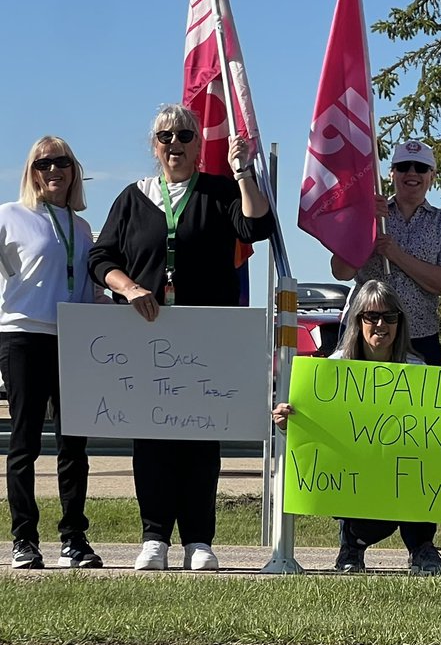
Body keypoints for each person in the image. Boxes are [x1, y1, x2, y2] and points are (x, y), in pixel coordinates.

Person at [88, 105, 275, 571]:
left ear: (198, 146)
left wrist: (243, 170)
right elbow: (100, 256)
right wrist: (129, 287)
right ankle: (154, 537)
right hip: (146, 334)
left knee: (200, 437)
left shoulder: (218, 191)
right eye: (165, 136)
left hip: (204, 338)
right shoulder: (133, 198)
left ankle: (198, 539)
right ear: (154, 146)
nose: (175, 143)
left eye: (185, 136)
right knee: (150, 438)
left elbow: (257, 227)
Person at [273, 279, 441, 575]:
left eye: (389, 317)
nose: (381, 324)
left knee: (418, 470)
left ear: (399, 323)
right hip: (353, 479)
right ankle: (352, 544)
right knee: (365, 499)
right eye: (371, 316)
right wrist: (286, 423)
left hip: (402, 475)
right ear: (358, 321)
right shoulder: (333, 369)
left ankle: (422, 547)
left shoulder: (418, 371)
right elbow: (310, 428)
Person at [1, 137, 104, 569]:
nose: (53, 170)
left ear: (73, 171)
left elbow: (91, 287)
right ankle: (24, 538)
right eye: (43, 163)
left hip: (73, 338)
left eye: (62, 162)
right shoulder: (11, 215)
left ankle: (73, 538)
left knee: (73, 444)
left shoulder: (82, 228)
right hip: (23, 336)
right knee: (24, 442)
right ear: (32, 171)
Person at [331, 139, 441, 367]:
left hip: (419, 336)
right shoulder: (369, 213)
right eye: (403, 166)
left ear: (433, 176)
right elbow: (340, 271)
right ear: (391, 174)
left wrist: (396, 254)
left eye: (421, 168)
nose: (412, 173)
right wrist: (364, 224)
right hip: (364, 335)